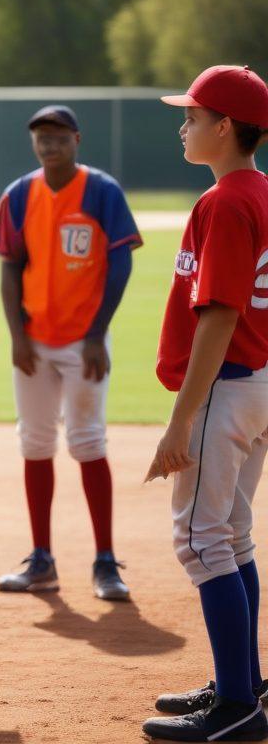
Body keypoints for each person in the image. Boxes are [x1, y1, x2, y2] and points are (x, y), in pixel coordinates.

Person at [143, 65, 268, 742]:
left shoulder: (223, 202)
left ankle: (238, 710)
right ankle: (241, 683)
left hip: (226, 383)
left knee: (201, 542)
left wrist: (181, 418)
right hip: (256, 383)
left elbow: (218, 316)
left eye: (192, 117)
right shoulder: (260, 191)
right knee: (232, 534)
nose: (183, 126)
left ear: (225, 127)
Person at [0, 105, 141, 600]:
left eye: (57, 137)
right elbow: (10, 267)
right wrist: (16, 334)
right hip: (34, 339)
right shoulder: (19, 195)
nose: (48, 145)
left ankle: (104, 562)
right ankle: (41, 560)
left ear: (76, 139)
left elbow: (119, 266)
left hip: (83, 340)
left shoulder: (101, 191)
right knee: (34, 442)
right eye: (41, 138)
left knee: (88, 441)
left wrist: (98, 334)